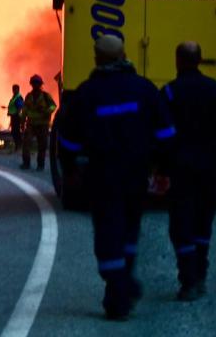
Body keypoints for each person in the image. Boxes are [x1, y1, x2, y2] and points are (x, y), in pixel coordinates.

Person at [59, 35, 176, 320]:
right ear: (123, 55)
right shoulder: (144, 89)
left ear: (97, 58)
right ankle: (125, 282)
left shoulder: (86, 94)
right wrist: (163, 169)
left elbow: (68, 140)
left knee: (108, 231)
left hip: (102, 175)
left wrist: (70, 169)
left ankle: (117, 290)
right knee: (130, 228)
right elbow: (165, 134)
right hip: (137, 174)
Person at [160, 41, 216, 301]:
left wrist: (160, 170)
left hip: (180, 169)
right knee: (203, 222)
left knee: (181, 224)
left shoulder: (170, 93)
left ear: (178, 61)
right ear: (200, 60)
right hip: (209, 168)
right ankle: (200, 275)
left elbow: (162, 136)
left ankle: (189, 280)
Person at [21, 74, 56, 171]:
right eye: (34, 83)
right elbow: (24, 109)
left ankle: (40, 165)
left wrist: (47, 111)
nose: (35, 85)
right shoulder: (28, 96)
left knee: (42, 145)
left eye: (37, 83)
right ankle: (26, 163)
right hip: (31, 124)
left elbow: (53, 106)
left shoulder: (45, 96)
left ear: (40, 84)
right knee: (26, 144)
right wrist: (22, 123)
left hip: (43, 124)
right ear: (31, 84)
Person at [7, 84, 25, 151]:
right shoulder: (14, 97)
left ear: (18, 89)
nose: (14, 90)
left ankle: (19, 146)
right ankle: (18, 145)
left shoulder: (18, 97)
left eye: (15, 89)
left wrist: (16, 113)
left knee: (16, 132)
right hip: (13, 116)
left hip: (17, 117)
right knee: (14, 132)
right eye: (13, 89)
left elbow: (20, 107)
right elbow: (12, 106)